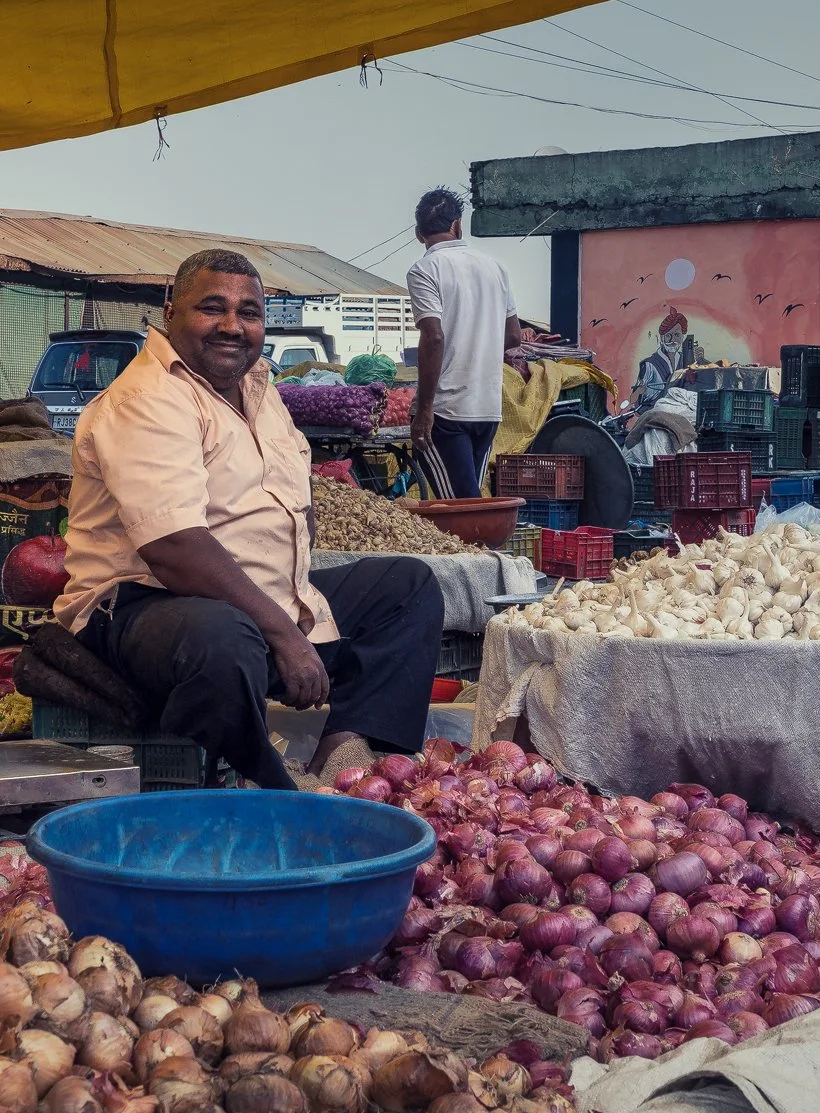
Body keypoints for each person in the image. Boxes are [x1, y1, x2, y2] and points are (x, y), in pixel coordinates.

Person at [55, 249, 443, 790]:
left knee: (406, 586)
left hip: (257, 599)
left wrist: (295, 596)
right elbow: (174, 548)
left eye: (249, 312)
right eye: (212, 308)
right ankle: (268, 784)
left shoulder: (260, 389)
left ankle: (347, 763)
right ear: (170, 311)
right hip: (146, 604)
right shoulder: (148, 399)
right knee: (224, 635)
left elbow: (292, 498)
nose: (232, 326)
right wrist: (284, 633)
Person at [406, 188, 521, 498]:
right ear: (458, 225)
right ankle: (484, 544)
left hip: (448, 410)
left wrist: (425, 409)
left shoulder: (424, 270)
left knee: (460, 508)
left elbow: (433, 337)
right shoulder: (496, 268)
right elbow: (513, 338)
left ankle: (480, 546)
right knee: (470, 501)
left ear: (419, 234)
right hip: (487, 408)